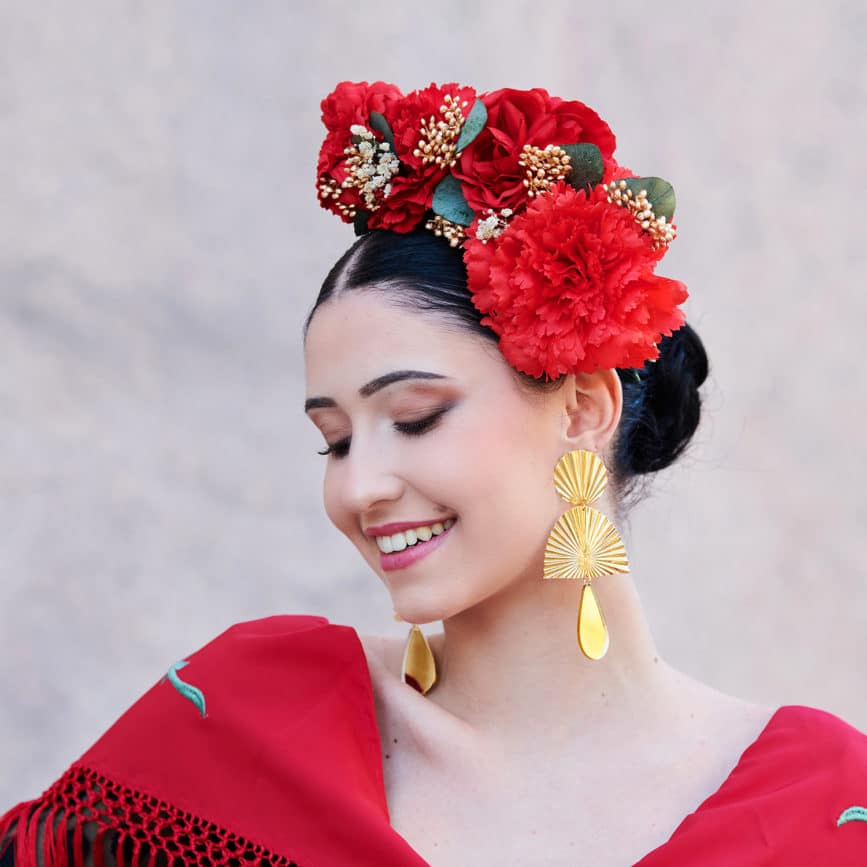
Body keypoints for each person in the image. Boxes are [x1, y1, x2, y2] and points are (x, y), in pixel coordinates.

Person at [2, 81, 866, 867]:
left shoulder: (819, 805)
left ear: (581, 407)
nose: (357, 487)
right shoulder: (240, 729)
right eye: (334, 440)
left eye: (415, 418)